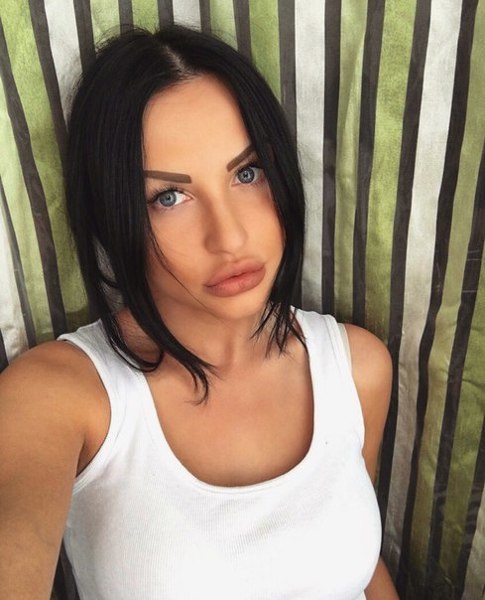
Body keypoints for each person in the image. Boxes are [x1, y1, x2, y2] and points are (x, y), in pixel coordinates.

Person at [0, 25, 398, 599]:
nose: (229, 236)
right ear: (113, 219)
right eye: (169, 197)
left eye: (246, 172)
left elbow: (361, 569)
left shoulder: (359, 367)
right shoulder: (60, 396)